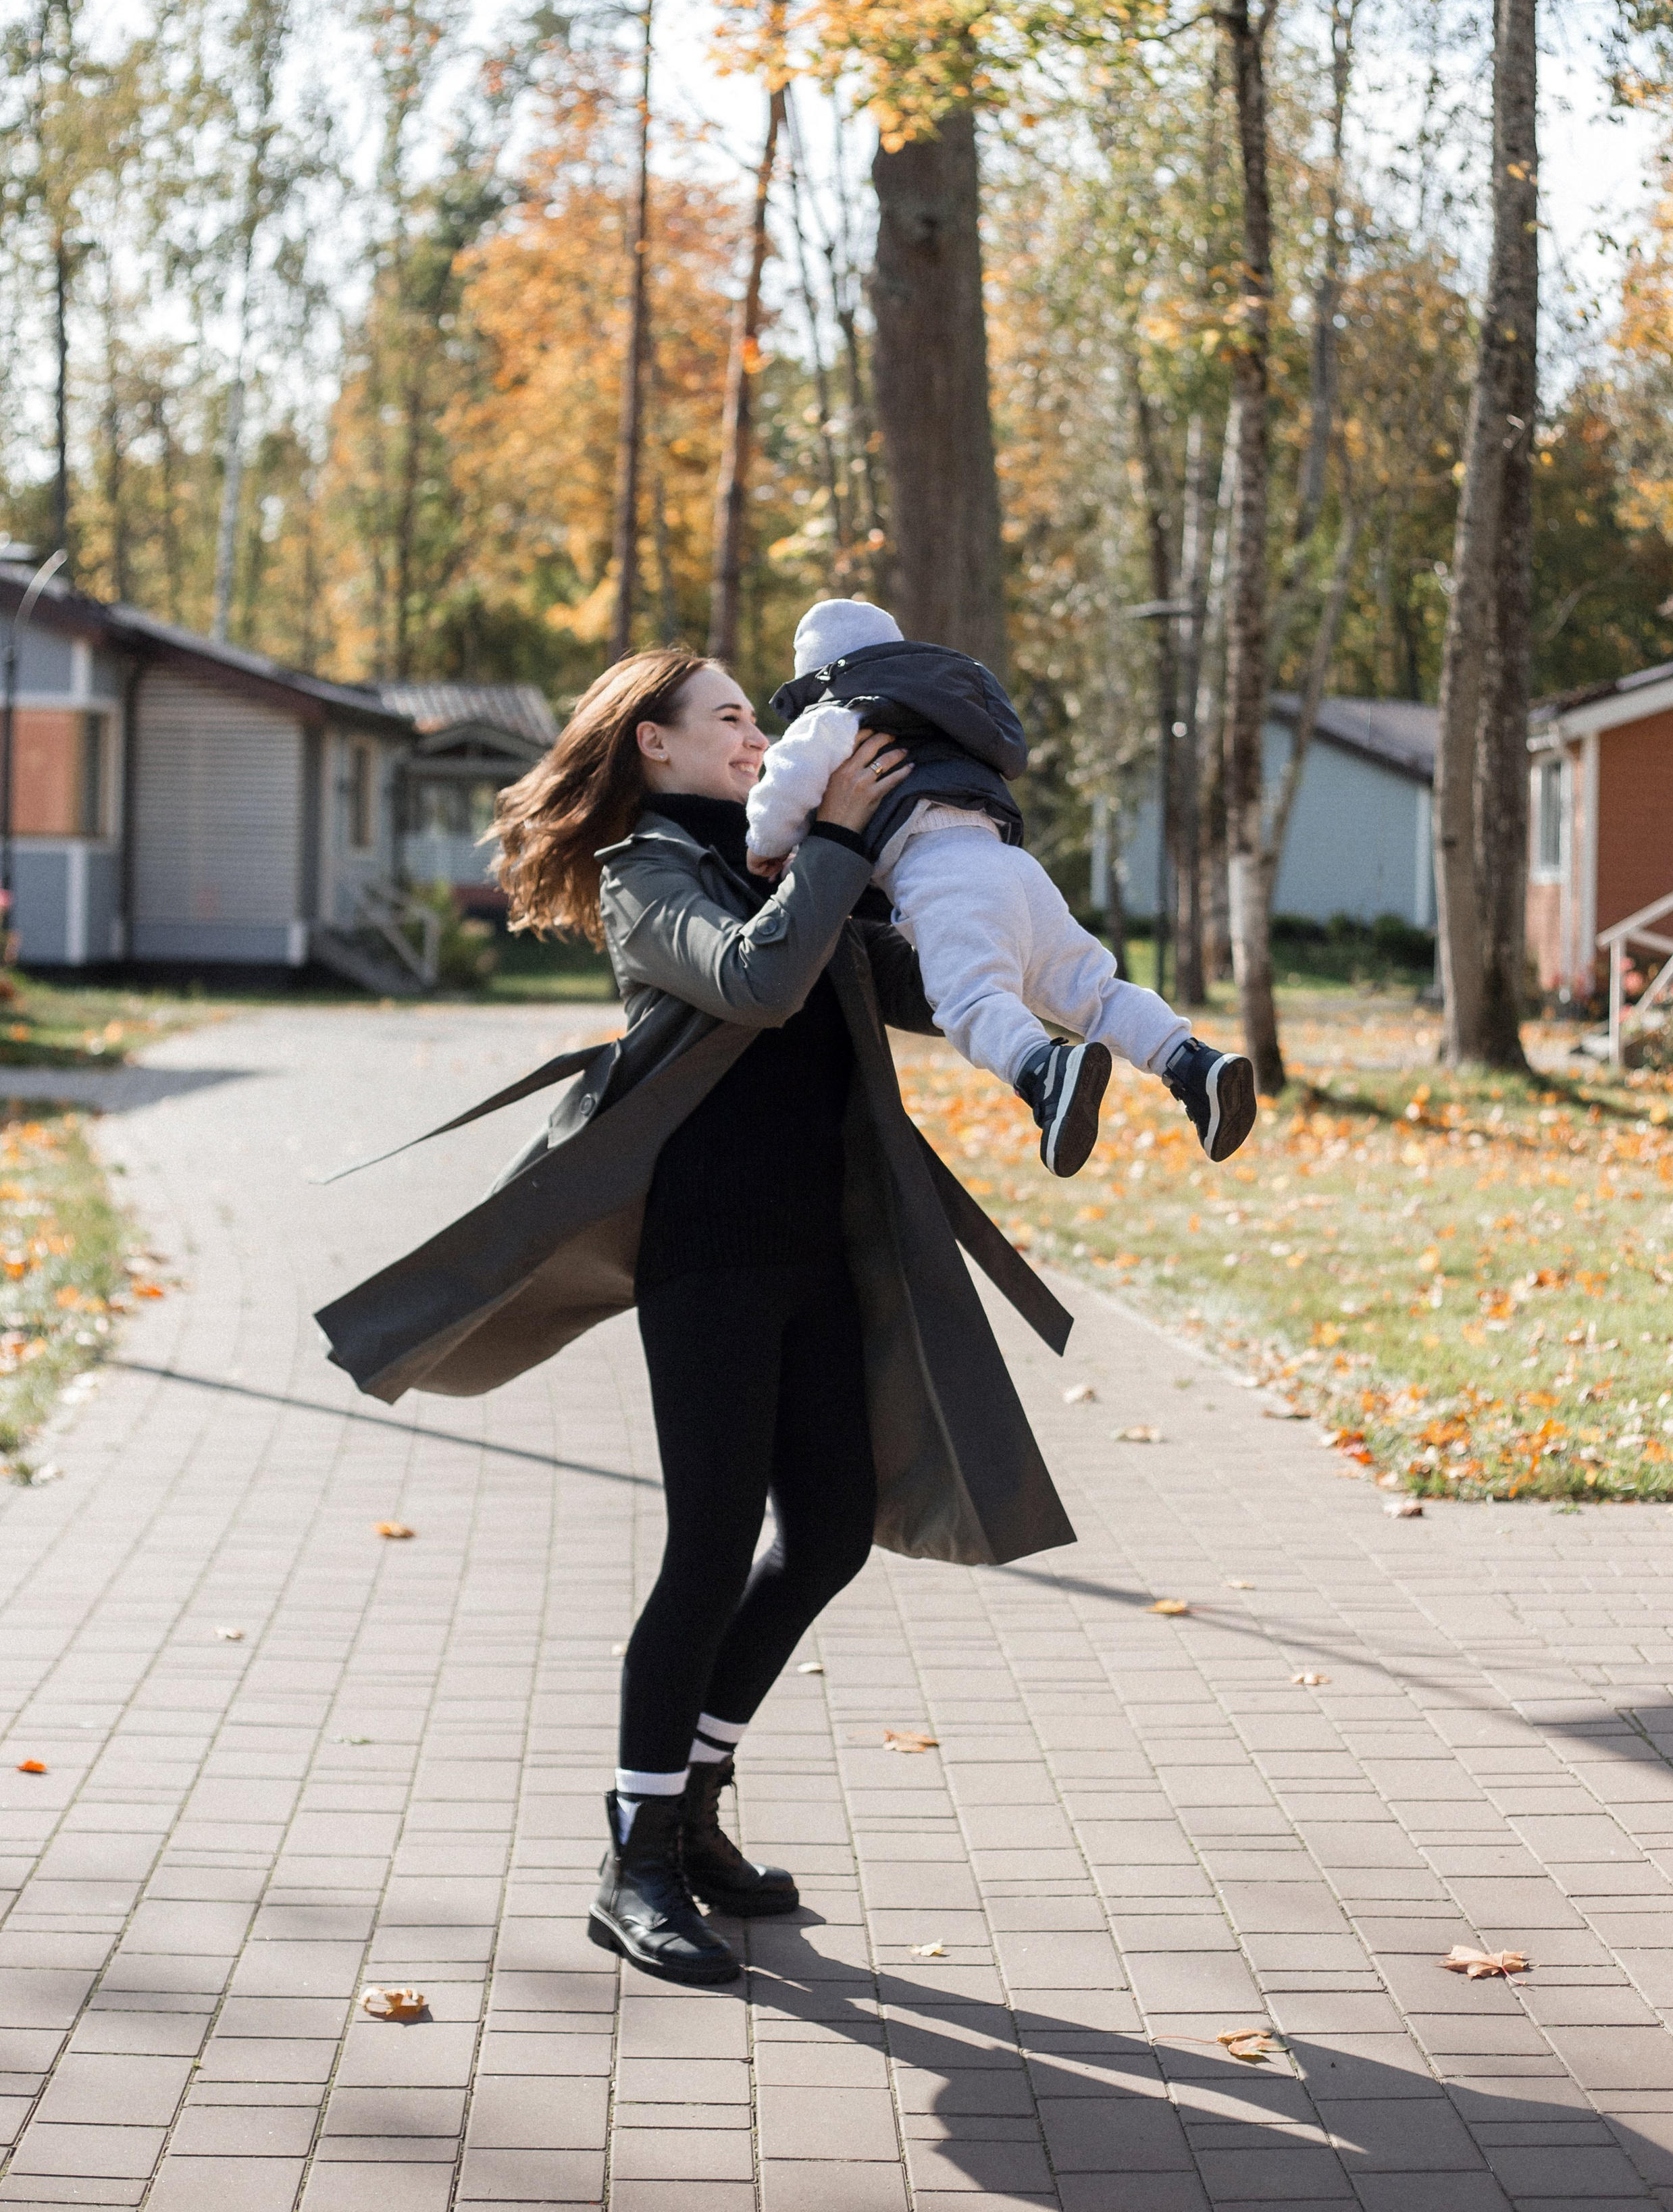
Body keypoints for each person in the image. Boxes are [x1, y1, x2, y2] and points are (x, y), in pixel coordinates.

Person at [316, 647, 1078, 1993]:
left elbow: (902, 985)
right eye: (727, 717)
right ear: (653, 745)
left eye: (753, 719)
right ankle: (635, 1858)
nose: (755, 735)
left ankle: (695, 1798)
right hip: (709, 1256)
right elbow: (756, 980)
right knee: (712, 1546)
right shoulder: (649, 874)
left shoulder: (795, 860)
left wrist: (989, 909)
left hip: (821, 1246)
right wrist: (837, 844)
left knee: (829, 1531)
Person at [747, 597, 1256, 1174]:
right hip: (1011, 865)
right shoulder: (941, 708)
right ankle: (1192, 1063)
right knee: (1092, 988)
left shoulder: (840, 710)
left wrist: (765, 842)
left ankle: (1041, 1069)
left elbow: (788, 777)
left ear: (819, 676)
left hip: (939, 870)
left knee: (970, 998)